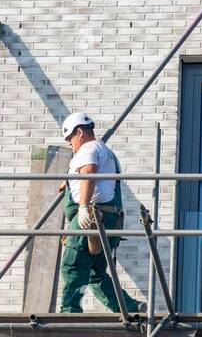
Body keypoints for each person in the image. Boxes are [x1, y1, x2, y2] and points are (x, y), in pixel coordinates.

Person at [56, 112, 143, 315]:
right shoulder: (106, 152)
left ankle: (69, 311)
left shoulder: (89, 147)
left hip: (92, 217)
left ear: (79, 132)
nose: (70, 144)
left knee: (72, 266)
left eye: (70, 138)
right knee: (96, 274)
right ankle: (129, 307)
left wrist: (84, 207)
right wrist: (69, 180)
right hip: (108, 218)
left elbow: (89, 172)